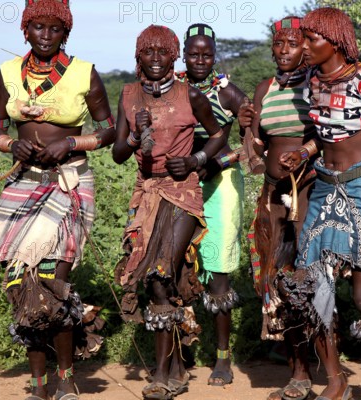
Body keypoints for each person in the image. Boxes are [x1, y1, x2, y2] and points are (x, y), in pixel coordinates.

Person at [0, 1, 115, 399]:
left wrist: (70, 142)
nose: (46, 35)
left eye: (54, 29)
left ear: (65, 32)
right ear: (25, 30)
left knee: (52, 283)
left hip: (69, 182)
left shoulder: (85, 73)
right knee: (20, 283)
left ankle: (66, 379)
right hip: (23, 182)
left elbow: (109, 131)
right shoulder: (9, 73)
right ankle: (38, 385)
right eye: (38, 28)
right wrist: (10, 144)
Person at [278, 8, 361, 400]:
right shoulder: (313, 81)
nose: (303, 46)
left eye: (310, 40)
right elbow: (327, 134)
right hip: (324, 190)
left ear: (335, 42)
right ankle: (335, 379)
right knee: (310, 288)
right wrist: (303, 152)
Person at [112, 25, 226, 400]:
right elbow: (117, 153)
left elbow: (219, 134)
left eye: (164, 53)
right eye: (149, 53)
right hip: (145, 193)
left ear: (174, 57)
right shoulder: (128, 95)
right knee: (158, 279)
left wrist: (196, 158)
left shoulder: (189, 94)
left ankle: (160, 375)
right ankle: (177, 366)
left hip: (182, 192)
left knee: (161, 272)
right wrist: (132, 136)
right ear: (138, 57)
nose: (157, 59)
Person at [238, 16, 318, 400]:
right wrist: (245, 128)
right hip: (273, 194)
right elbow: (255, 147)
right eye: (279, 43)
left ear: (306, 47)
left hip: (308, 192)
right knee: (275, 279)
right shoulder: (264, 88)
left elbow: (327, 134)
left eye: (293, 43)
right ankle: (296, 369)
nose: (284, 50)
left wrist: (303, 153)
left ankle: (309, 369)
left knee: (304, 280)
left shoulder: (315, 85)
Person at [176, 23, 247, 387]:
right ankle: (181, 350)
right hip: (180, 185)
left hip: (219, 184)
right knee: (176, 265)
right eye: (193, 54)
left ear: (215, 56)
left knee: (217, 270)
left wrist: (215, 162)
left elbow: (253, 146)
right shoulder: (173, 90)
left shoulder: (229, 93)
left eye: (206, 54)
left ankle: (222, 356)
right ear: (183, 55)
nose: (200, 60)